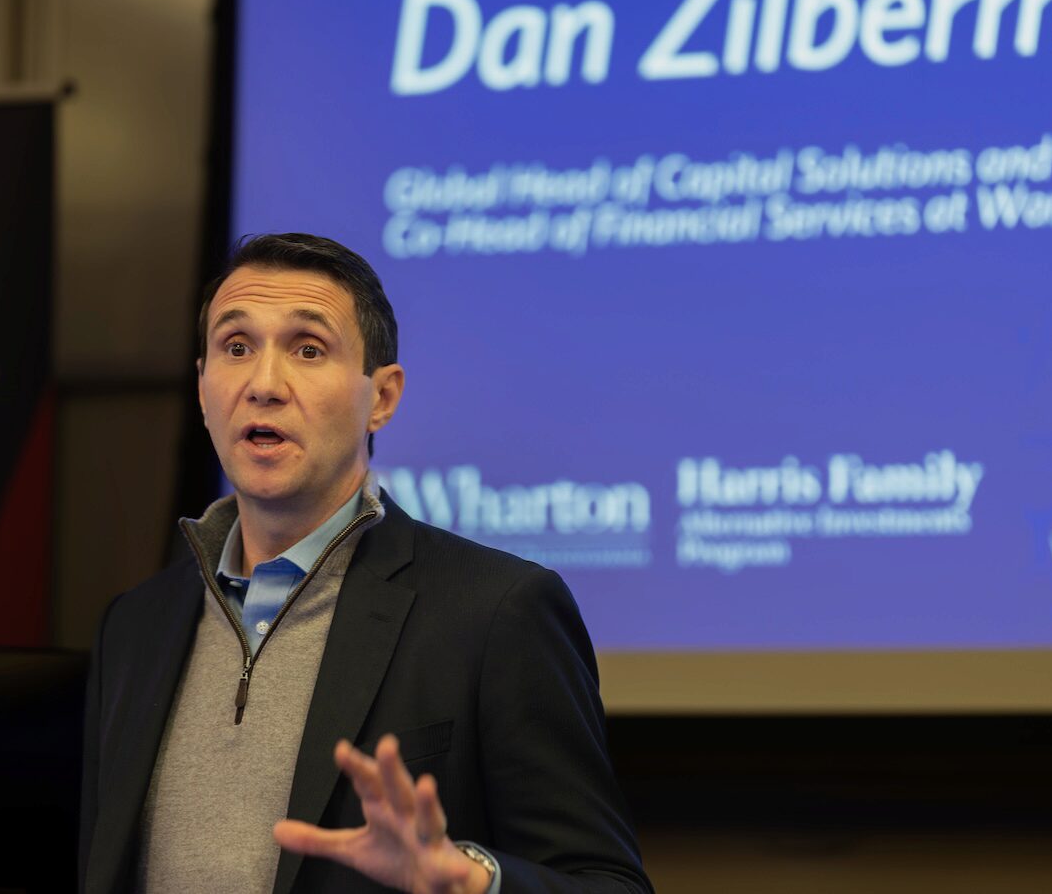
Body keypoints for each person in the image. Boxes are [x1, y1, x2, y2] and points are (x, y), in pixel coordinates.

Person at [78, 233, 651, 894]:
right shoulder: (133, 627)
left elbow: (610, 884)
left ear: (381, 396)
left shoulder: (497, 612)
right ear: (203, 386)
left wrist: (472, 879)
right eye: (236, 348)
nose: (263, 384)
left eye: (308, 348)